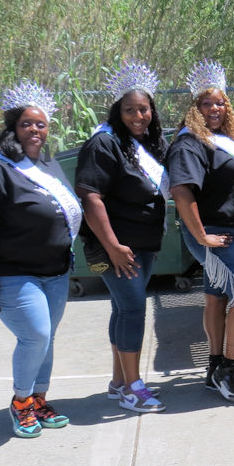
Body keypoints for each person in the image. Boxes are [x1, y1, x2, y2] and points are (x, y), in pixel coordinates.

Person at [0, 81, 82, 438]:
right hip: (13, 274)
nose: (35, 130)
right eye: (27, 123)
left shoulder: (48, 165)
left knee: (47, 337)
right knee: (35, 335)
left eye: (41, 124)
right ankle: (21, 402)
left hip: (55, 271)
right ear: (13, 128)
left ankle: (39, 400)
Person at [76, 61, 168, 413]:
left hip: (144, 244)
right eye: (130, 110)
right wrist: (113, 246)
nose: (138, 116)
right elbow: (90, 197)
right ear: (118, 111)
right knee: (132, 309)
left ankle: (119, 381)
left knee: (122, 309)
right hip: (118, 247)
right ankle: (133, 388)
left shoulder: (149, 143)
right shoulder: (104, 142)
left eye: (144, 109)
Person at [167, 59, 234, 403]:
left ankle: (214, 365)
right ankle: (229, 369)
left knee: (216, 298)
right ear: (195, 107)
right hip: (216, 235)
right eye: (206, 103)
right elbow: (181, 192)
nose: (214, 108)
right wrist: (202, 236)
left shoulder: (222, 139)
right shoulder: (189, 143)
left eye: (220, 102)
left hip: (230, 232)